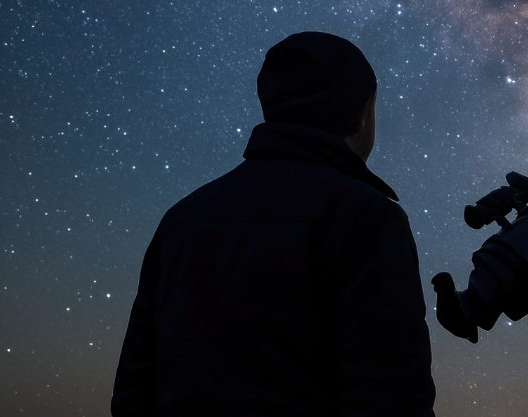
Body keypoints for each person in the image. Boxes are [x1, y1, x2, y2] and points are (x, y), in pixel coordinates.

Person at [112, 32, 435, 416]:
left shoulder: (180, 220)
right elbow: (392, 397)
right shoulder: (366, 217)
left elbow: (135, 388)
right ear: (362, 112)